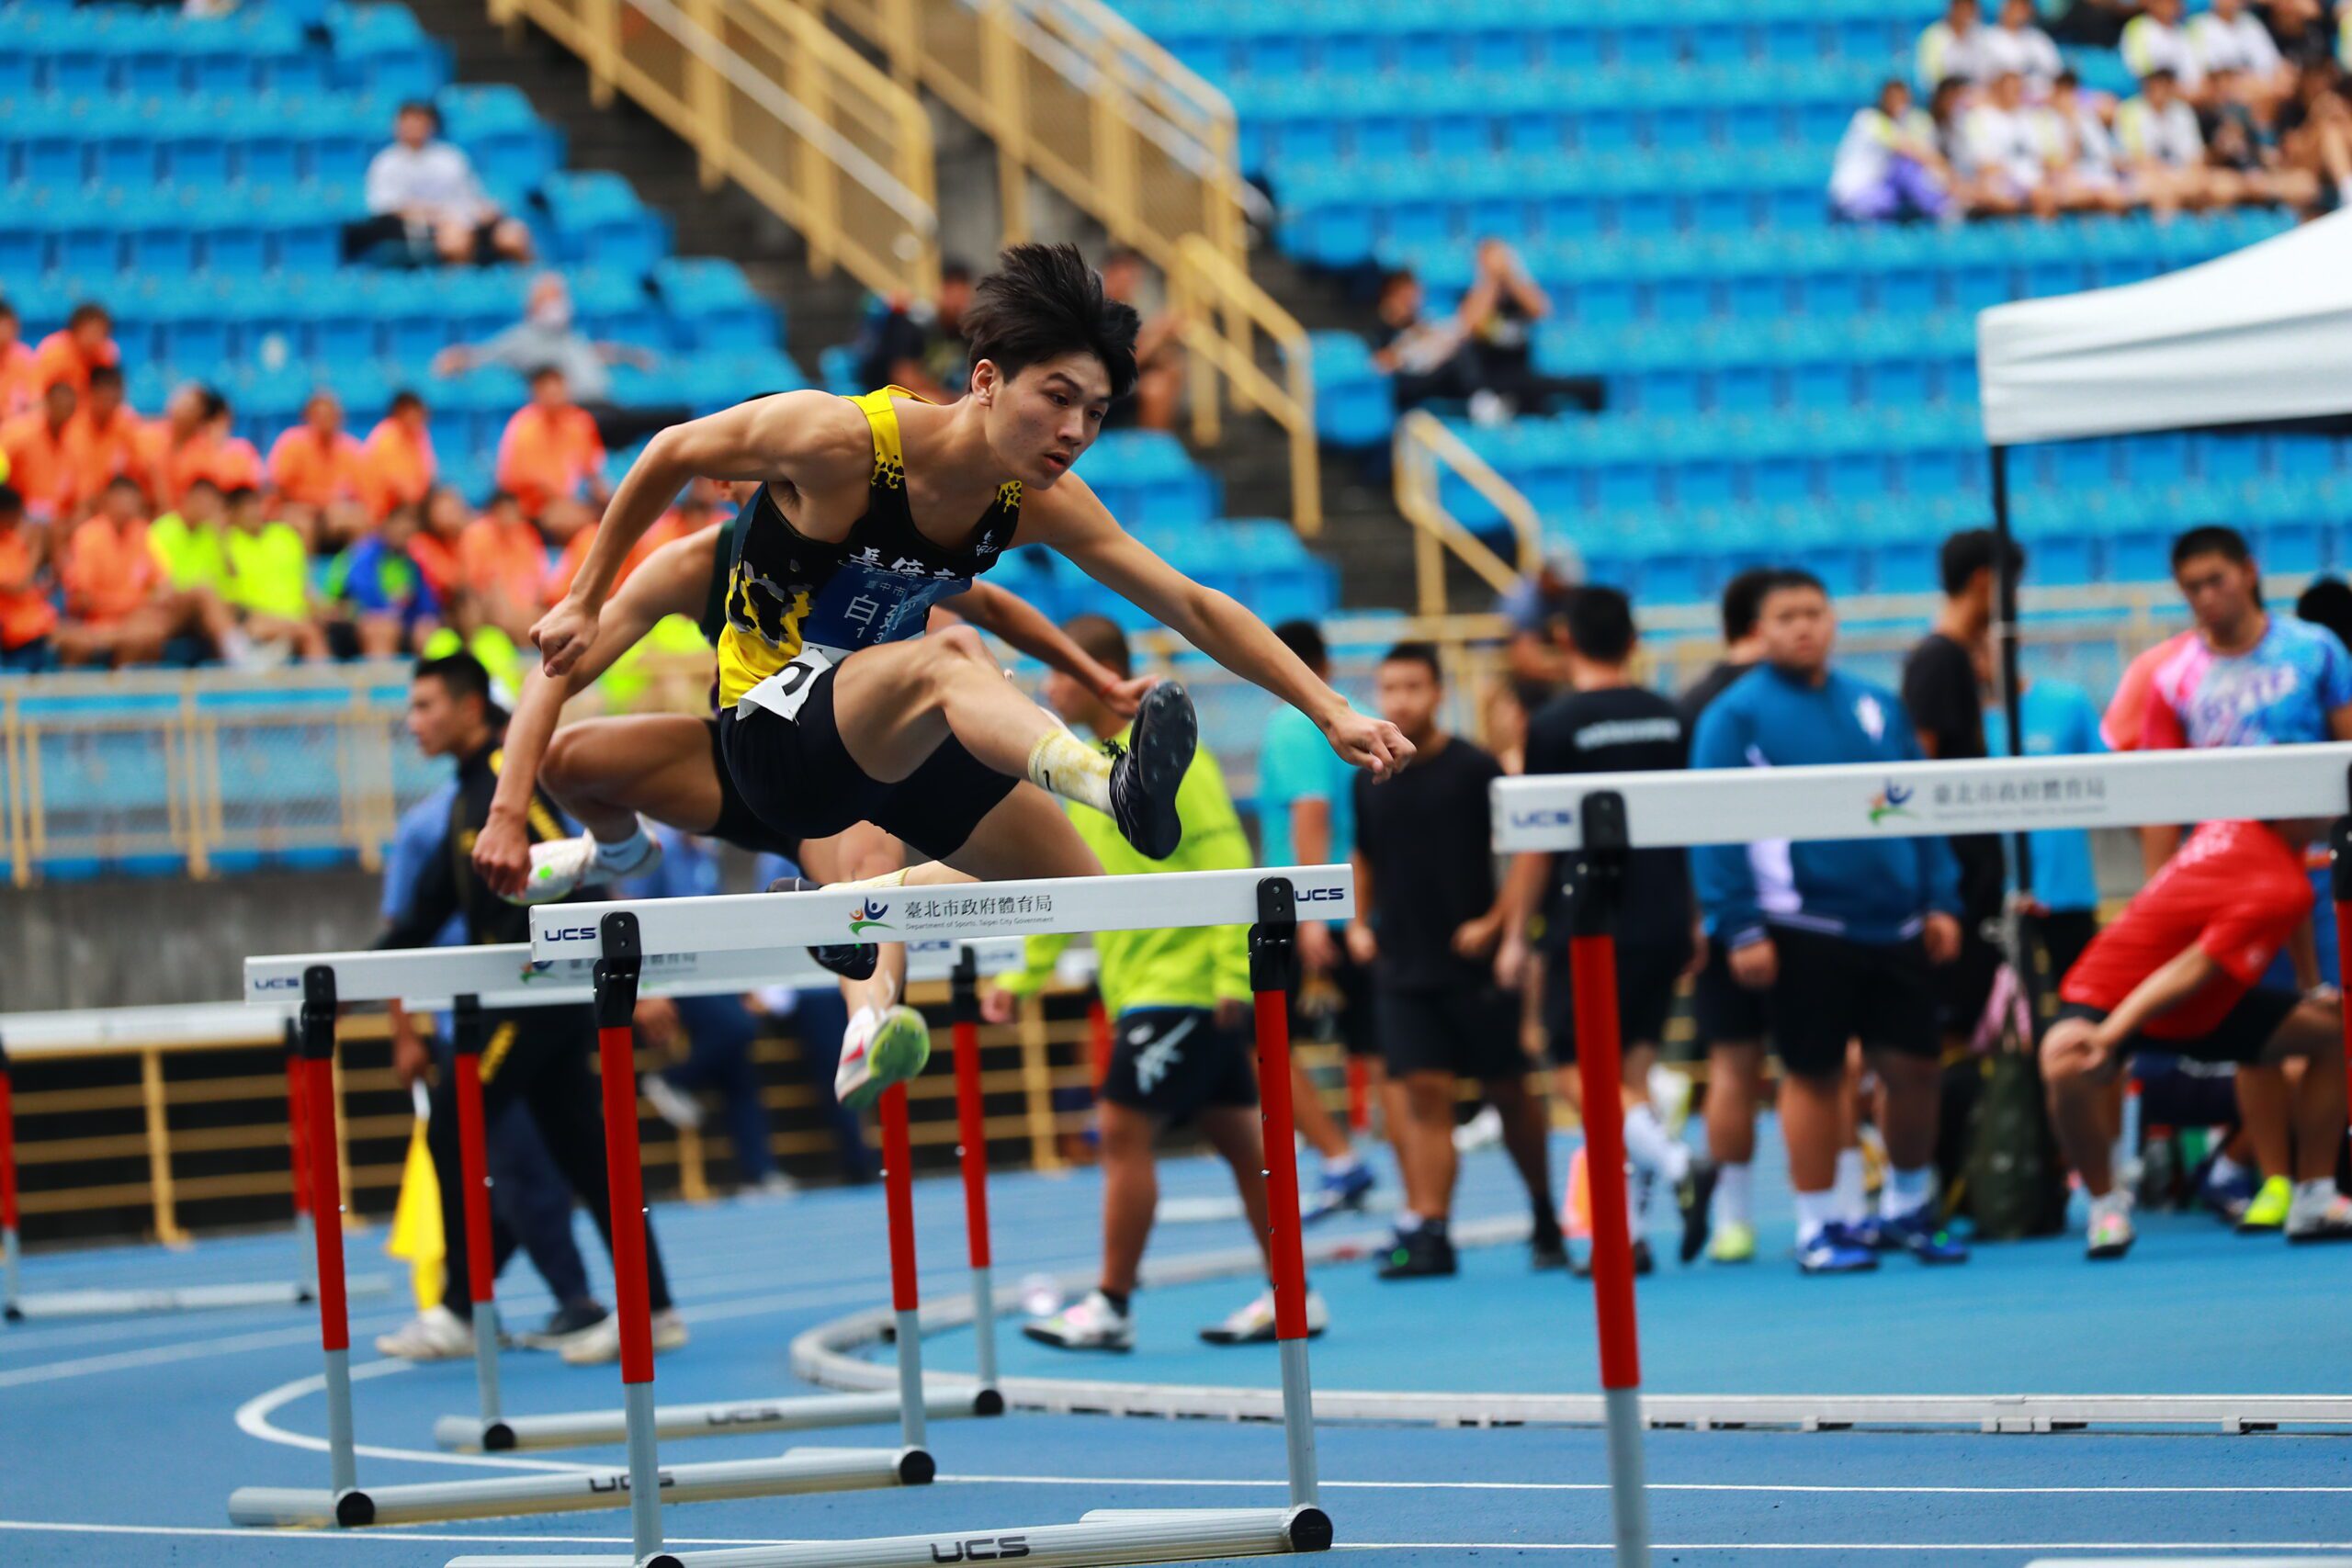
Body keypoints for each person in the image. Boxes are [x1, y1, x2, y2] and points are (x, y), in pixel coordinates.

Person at [533, 242, 1410, 1105]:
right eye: (1058, 398)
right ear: (985, 379)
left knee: (1080, 894)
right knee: (955, 656)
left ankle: (853, 906)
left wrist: (1331, 709)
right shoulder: (844, 439)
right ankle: (1110, 783)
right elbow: (671, 449)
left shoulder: (1032, 498)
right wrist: (582, 596)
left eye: (1096, 414)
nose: (1073, 432)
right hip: (771, 733)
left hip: (887, 736)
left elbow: (1192, 603)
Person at [470, 481, 1157, 1107]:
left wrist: (1097, 679)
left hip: (848, 768)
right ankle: (619, 851)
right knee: (568, 761)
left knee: (902, 878)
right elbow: (557, 671)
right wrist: (507, 809)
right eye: (770, 488)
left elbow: (993, 607)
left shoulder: (869, 542)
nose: (793, 509)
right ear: (728, 488)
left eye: (807, 488)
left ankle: (868, 1021)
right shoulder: (693, 565)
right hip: (748, 755)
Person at [1002, 614, 1329, 1348]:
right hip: (1148, 985)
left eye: (1060, 673)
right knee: (1247, 1146)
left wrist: (1226, 976)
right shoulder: (1088, 770)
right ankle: (1296, 1294)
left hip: (1183, 984)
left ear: (1099, 674)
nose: (1050, 687)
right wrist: (1024, 977)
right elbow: (1070, 882)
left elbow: (1223, 862)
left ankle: (1112, 1304)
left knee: (1121, 1128)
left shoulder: (1181, 766)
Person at [372, 652, 684, 1367]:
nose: (411, 721)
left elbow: (582, 864)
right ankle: (656, 1305)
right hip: (532, 1002)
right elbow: (422, 915)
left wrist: (618, 970)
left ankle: (458, 1310)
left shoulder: (506, 783)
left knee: (453, 1127)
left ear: (470, 707)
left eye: (424, 706)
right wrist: (346, 975)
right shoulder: (466, 795)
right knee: (588, 1157)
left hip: (535, 999)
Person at [1690, 570, 1970, 1274]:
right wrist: (1740, 924)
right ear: (1759, 629)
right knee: (1813, 1075)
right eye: (1786, 615)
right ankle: (1819, 1225)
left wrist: (1941, 897)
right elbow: (1713, 827)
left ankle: (1907, 1207)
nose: (1804, 626)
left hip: (1899, 923)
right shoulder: (1735, 715)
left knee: (1915, 1070)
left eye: (1815, 611)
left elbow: (1921, 805)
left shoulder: (1879, 705)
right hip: (1801, 925)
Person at [2141, 524, 2352, 1233]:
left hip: (2321, 874)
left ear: (2249, 572)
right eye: (2192, 587)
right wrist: (2159, 896)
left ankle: (2321, 1184)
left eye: (2217, 580)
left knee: (2335, 1023)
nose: (2207, 596)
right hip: (2229, 883)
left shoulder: (2316, 650)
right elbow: (2153, 796)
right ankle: (2272, 1181)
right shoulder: (2169, 674)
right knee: (2256, 1032)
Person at [1498, 587, 1713, 1273]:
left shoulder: (1556, 723)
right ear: (1634, 640)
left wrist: (1512, 933)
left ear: (1566, 642)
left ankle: (1678, 1161)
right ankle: (1627, 1236)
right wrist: (1697, 913)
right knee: (1631, 1076)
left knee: (1575, 1070)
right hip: (1664, 914)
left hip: (1592, 917)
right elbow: (1691, 825)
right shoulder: (1669, 717)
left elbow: (1536, 841)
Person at [1349, 642, 1562, 1278]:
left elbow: (1528, 849)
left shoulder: (1477, 769)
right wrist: (1359, 922)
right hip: (1403, 963)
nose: (1400, 700)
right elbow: (1364, 855)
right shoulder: (1368, 775)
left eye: (1413, 687)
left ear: (1439, 692)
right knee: (1422, 1091)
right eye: (1389, 688)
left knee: (1509, 1092)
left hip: (1476, 964)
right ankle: (1434, 1228)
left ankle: (1545, 1211)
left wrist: (1497, 923)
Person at [2046, 818, 2352, 1258]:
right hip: (2120, 990)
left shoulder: (2258, 846)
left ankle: (2315, 1197)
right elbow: (2192, 967)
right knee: (2063, 1064)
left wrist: (2312, 988)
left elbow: (2294, 909)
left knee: (2333, 1031)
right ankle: (2105, 1207)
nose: (2329, 812)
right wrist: (2111, 1037)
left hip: (2207, 1007)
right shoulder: (2272, 875)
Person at [378, 777, 608, 1354]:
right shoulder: (426, 826)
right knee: (517, 1167)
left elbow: (576, 884)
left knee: (536, 1168)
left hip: (529, 1015)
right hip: (465, 1029)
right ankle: (513, 1301)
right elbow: (401, 932)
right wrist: (402, 1031)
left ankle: (478, 1302)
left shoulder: (531, 803)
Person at [1257, 618, 1382, 1221]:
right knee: (1378, 1049)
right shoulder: (1358, 711)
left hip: (1301, 905)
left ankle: (1339, 1158)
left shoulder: (1293, 719)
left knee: (1267, 1043)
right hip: (1355, 901)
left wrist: (1309, 912)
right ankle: (1406, 1185)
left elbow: (1312, 809)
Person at [1677, 567, 1774, 1262]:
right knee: (1821, 1066)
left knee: (1734, 1065)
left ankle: (1736, 1219)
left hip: (1716, 910)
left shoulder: (1690, 702)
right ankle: (1839, 1205)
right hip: (1758, 909)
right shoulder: (1730, 705)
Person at [1905, 531, 2018, 1091]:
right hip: (1956, 878)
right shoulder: (1937, 660)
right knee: (1946, 1034)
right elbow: (1917, 773)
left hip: (1969, 874)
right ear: (1983, 581)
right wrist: (1937, 888)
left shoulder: (1955, 660)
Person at [437, 274, 681, 450]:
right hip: (575, 412)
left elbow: (598, 352)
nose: (558, 304)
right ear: (533, 304)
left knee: (673, 420)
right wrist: (454, 360)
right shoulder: (521, 338)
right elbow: (482, 354)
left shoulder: (572, 337)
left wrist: (631, 357)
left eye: (560, 296)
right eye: (550, 298)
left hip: (607, 405)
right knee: (634, 424)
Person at [53, 477, 238, 668]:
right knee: (138, 635)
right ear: (107, 500)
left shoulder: (142, 532)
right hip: (103, 619)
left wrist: (151, 600)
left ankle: (237, 654)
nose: (128, 505)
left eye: (133, 499)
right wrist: (132, 603)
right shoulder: (88, 536)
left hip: (139, 617)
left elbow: (161, 584)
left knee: (171, 615)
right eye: (123, 498)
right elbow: (83, 600)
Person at [352, 100, 533, 267]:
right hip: (421, 229)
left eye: (420, 122)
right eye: (409, 122)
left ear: (431, 125)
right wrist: (435, 215)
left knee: (512, 235)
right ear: (397, 126)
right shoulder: (386, 162)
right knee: (454, 239)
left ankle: (538, 291)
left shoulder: (451, 156)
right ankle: (464, 293)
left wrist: (486, 210)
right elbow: (384, 206)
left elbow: (471, 195)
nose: (414, 128)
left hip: (464, 219)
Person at [1830, 78, 1958, 222]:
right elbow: (1911, 150)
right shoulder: (1869, 119)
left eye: (1903, 100)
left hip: (1873, 190)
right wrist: (1948, 171)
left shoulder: (1895, 124)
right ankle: (1942, 210)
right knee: (1908, 169)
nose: (1900, 105)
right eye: (1894, 99)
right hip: (1854, 193)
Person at [853, 260, 975, 405]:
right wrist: (949, 401)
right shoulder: (915, 324)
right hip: (893, 398)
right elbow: (903, 377)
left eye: (963, 295)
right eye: (953, 294)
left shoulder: (966, 331)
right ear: (941, 290)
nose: (958, 303)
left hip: (942, 399)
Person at [495, 368, 607, 520]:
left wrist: (605, 496)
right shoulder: (523, 425)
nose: (554, 396)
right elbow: (514, 479)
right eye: (547, 391)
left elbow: (592, 470)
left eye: (558, 390)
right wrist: (560, 499)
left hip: (571, 502)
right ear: (535, 393)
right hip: (532, 506)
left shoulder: (580, 422)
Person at [1096, 247, 1185, 433]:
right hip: (1098, 387)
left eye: (1134, 278)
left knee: (1169, 368)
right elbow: (1121, 366)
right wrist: (1157, 334)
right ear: (1109, 274)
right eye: (1126, 277)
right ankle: (1152, 450)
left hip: (1120, 387)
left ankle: (1159, 446)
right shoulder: (1097, 311)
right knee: (1155, 388)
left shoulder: (1126, 312)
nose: (1130, 284)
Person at [60, 365, 149, 513]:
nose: (110, 405)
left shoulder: (128, 426)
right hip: (74, 507)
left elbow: (139, 472)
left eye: (115, 399)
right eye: (105, 398)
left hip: (113, 507)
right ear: (92, 394)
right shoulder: (73, 428)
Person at [268, 391, 369, 511]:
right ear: (307, 416)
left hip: (335, 511)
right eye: (319, 415)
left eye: (330, 415)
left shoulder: (352, 448)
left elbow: (361, 492)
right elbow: (280, 488)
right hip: (295, 507)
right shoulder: (292, 442)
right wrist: (323, 499)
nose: (325, 420)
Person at [0, 484, 56, 672]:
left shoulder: (12, 541)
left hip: (36, 625)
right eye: (17, 514)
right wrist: (36, 550)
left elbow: (30, 587)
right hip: (12, 632)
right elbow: (18, 586)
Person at [364, 389, 438, 522]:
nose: (422, 416)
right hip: (385, 510)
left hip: (412, 504)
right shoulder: (386, 436)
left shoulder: (420, 434)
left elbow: (429, 473)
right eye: (416, 411)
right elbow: (396, 487)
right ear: (400, 411)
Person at [31, 302, 118, 402]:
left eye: (100, 332)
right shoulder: (54, 351)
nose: (94, 338)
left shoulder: (107, 353)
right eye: (91, 331)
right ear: (75, 328)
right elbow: (37, 394)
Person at [1917, 0, 1994, 87]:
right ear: (1952, 9)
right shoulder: (1934, 36)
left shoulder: (1982, 36)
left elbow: (1987, 72)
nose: (1965, 13)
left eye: (1969, 9)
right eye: (1961, 8)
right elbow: (1928, 77)